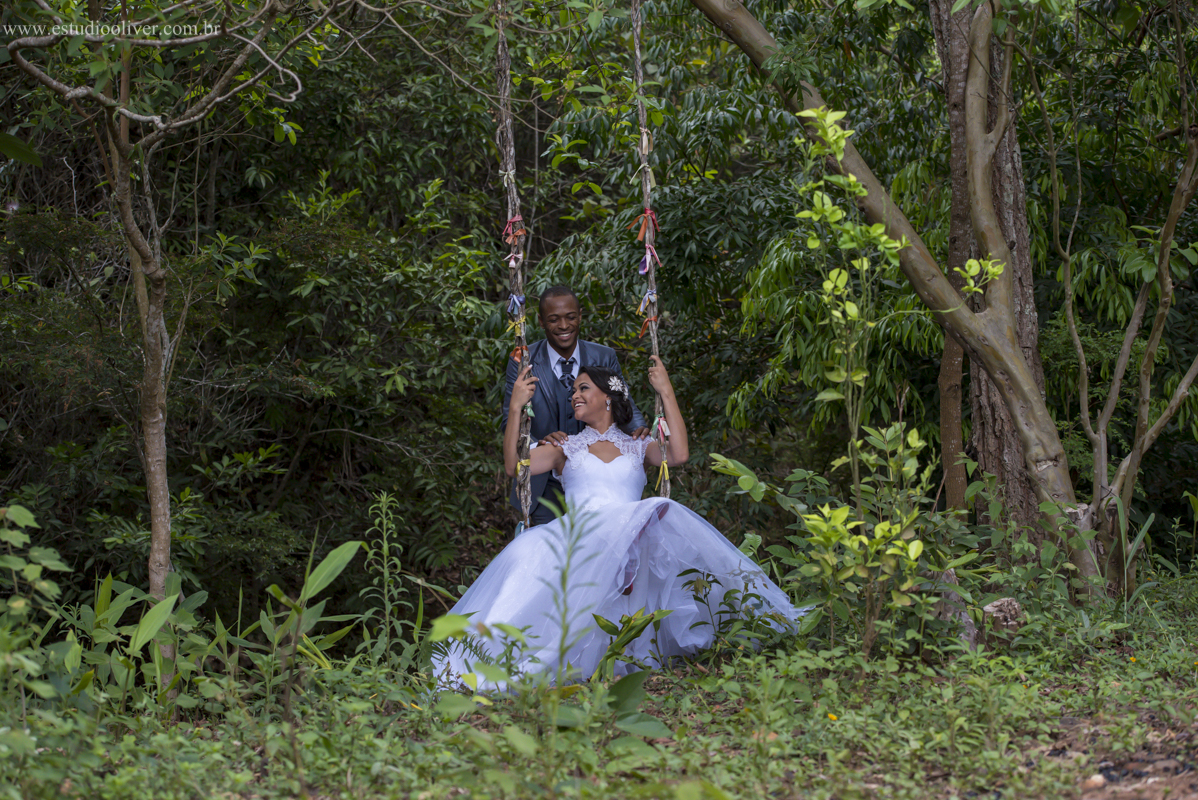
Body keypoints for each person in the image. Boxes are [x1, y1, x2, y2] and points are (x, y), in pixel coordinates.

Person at [433, 356, 803, 688]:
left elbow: (679, 454)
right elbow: (515, 467)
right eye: (573, 390)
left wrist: (666, 390)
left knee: (659, 508)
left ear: (607, 398)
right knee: (530, 560)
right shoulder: (566, 447)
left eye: (582, 388)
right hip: (581, 534)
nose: (573, 396)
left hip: (631, 533)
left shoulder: (638, 446)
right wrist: (516, 408)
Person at [501, 285, 647, 527]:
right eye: (554, 319)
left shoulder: (604, 356)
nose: (564, 326)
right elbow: (510, 422)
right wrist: (540, 444)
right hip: (543, 484)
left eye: (570, 317)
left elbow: (622, 400)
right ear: (541, 322)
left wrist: (639, 430)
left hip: (596, 480)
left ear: (580, 315)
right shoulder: (523, 360)